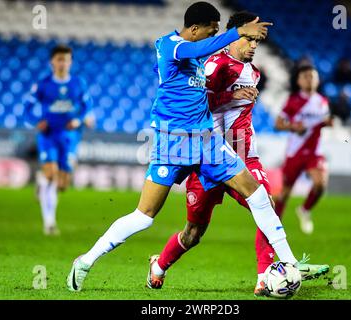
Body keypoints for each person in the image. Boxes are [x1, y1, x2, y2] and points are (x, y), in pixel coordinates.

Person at [66, 1, 328, 293]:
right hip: (171, 142)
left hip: (206, 142)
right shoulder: (170, 46)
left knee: (259, 195)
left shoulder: (203, 57)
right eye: (210, 32)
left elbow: (204, 66)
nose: (212, 38)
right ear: (194, 29)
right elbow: (196, 51)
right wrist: (236, 31)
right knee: (144, 216)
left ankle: (290, 265)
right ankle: (86, 260)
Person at [146, 11, 329, 297]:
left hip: (243, 155)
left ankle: (266, 277)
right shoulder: (215, 66)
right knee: (193, 233)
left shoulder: (254, 72)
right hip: (208, 157)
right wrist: (232, 96)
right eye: (248, 39)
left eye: (256, 41)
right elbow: (198, 105)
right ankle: (159, 266)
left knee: (264, 204)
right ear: (232, 38)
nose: (254, 46)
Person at [24, 45, 93, 235]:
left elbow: (88, 106)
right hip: (48, 136)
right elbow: (27, 109)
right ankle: (49, 223)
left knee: (62, 185)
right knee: (52, 174)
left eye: (66, 60)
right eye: (59, 60)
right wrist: (37, 122)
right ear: (52, 62)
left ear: (70, 62)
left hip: (69, 137)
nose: (62, 63)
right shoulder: (43, 84)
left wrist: (79, 120)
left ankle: (40, 180)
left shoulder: (78, 83)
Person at [274, 65, 333, 234]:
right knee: (285, 193)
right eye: (306, 76)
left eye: (312, 76)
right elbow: (278, 124)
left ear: (318, 80)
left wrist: (328, 123)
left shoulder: (323, 102)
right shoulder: (293, 101)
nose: (309, 79)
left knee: (320, 184)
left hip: (315, 151)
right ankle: (274, 226)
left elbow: (323, 121)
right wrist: (293, 127)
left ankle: (305, 209)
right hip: (295, 152)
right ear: (299, 81)